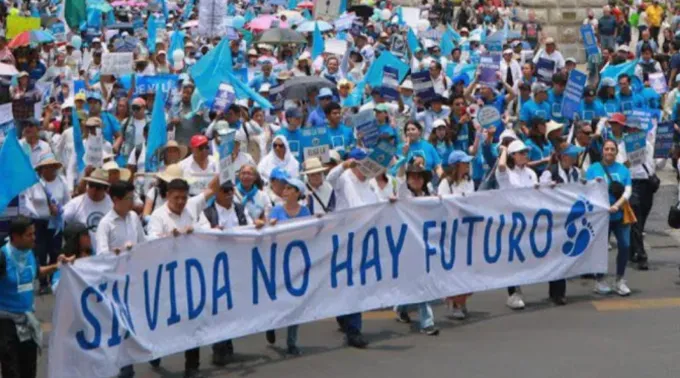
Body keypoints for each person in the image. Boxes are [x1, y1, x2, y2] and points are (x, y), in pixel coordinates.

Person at [0, 216, 74, 378]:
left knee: (29, 370)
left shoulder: (29, 253)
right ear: (16, 237)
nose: (34, 238)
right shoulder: (2, 257)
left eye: (34, 234)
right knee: (11, 372)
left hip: (28, 322)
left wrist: (58, 266)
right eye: (29, 235)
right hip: (6, 324)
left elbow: (37, 272)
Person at [325, 148, 383, 348]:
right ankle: (350, 325)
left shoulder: (370, 183)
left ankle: (351, 325)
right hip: (345, 238)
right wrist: (344, 165)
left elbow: (378, 205)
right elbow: (330, 178)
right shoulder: (344, 179)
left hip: (364, 239)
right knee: (348, 281)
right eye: (361, 164)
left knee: (356, 282)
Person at [203, 180, 258, 366]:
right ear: (216, 193)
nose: (229, 194)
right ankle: (219, 347)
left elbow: (251, 227)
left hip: (238, 265)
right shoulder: (207, 213)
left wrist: (258, 225)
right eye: (225, 190)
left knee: (232, 307)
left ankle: (228, 341)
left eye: (231, 190)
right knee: (219, 309)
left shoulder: (241, 209)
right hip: (216, 267)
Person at [265, 177, 312, 355]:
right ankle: (272, 323)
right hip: (279, 260)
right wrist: (272, 225)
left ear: (297, 192)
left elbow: (310, 231)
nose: (285, 191)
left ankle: (292, 341)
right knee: (278, 297)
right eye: (284, 188)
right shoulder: (276, 210)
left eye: (289, 188)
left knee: (296, 301)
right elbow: (269, 233)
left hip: (298, 260)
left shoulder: (305, 211)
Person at [393, 160, 440, 336]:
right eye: (413, 177)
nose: (417, 180)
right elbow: (399, 176)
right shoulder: (404, 194)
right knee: (421, 281)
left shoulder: (429, 194)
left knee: (420, 280)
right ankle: (427, 322)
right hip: (410, 243)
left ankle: (401, 306)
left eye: (420, 177)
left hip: (428, 242)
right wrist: (405, 157)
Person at [539, 144, 585, 305]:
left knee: (564, 256)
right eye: (571, 155)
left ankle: (560, 292)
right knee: (555, 255)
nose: (574, 158)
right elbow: (539, 193)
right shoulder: (549, 172)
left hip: (570, 219)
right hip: (554, 220)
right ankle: (555, 292)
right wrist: (548, 187)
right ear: (563, 156)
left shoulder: (576, 173)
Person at [585, 139, 632, 296]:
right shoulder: (593, 169)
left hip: (619, 215)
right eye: (607, 149)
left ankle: (619, 279)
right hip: (601, 218)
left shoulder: (623, 170)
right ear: (602, 151)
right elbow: (586, 191)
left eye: (612, 149)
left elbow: (628, 191)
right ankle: (599, 280)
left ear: (616, 152)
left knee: (625, 246)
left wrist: (616, 206)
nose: (609, 152)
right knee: (600, 249)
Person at [496, 139, 538, 309]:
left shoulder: (531, 173)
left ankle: (518, 288)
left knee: (524, 257)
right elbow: (500, 167)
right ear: (513, 156)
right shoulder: (507, 173)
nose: (525, 155)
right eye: (521, 153)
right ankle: (513, 293)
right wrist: (504, 150)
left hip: (528, 220)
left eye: (526, 152)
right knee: (513, 257)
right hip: (510, 220)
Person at [23, 153, 70, 294]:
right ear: (41, 169)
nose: (49, 170)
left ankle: (54, 279)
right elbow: (28, 202)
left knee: (55, 251)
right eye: (46, 167)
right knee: (40, 252)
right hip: (39, 223)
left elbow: (68, 202)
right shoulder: (35, 183)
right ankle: (43, 283)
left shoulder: (62, 182)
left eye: (52, 167)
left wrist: (59, 211)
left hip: (56, 223)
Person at [437, 150, 475, 318]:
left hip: (467, 229)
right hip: (451, 231)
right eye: (464, 163)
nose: (467, 165)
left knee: (468, 267)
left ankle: (461, 301)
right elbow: (442, 204)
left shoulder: (469, 181)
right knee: (455, 268)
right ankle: (455, 303)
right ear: (456, 166)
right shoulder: (446, 183)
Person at [63, 169, 113, 251]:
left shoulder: (112, 205)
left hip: (105, 253)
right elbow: (61, 220)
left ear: (105, 189)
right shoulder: (76, 203)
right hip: (83, 256)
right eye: (91, 185)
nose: (93, 190)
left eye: (98, 187)